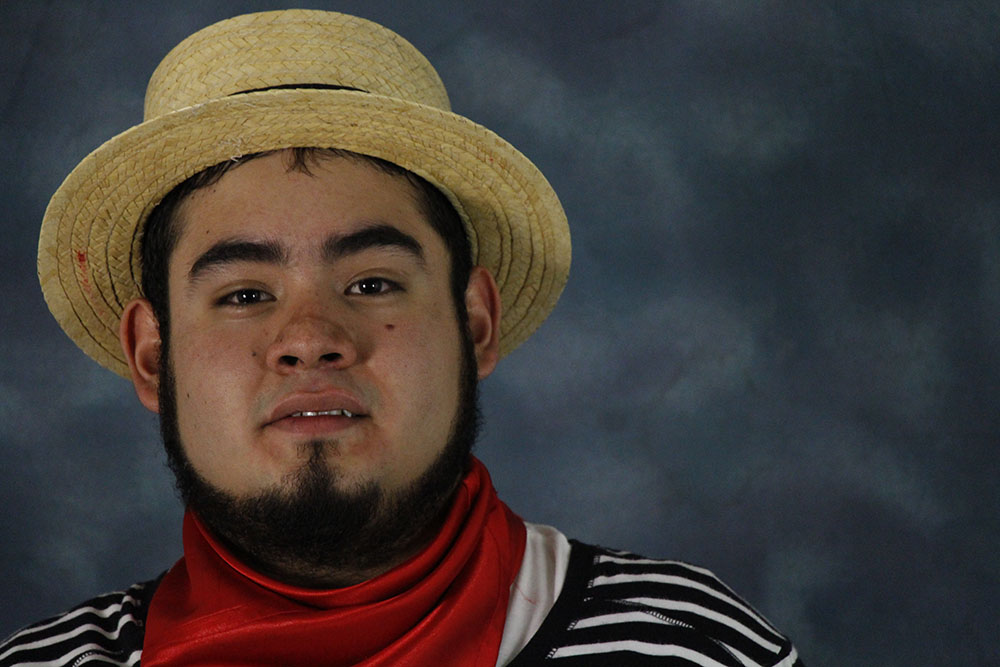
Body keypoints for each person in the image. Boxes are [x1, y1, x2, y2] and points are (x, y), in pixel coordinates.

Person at [1, 10, 802, 667]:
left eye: (372, 284)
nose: (310, 339)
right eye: (244, 294)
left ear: (475, 323)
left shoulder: (691, 645)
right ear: (152, 355)